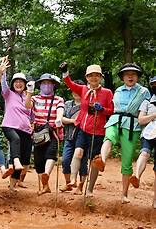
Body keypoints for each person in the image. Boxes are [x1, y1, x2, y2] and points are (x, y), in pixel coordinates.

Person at [91, 63, 150, 203]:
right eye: (127, 74)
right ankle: (102, 160)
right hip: (115, 119)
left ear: (137, 77)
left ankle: (124, 195)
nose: (130, 76)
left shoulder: (144, 92)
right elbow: (112, 108)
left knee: (127, 160)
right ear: (122, 77)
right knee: (109, 138)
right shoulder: (117, 90)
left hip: (132, 125)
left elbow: (147, 108)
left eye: (133, 74)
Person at [61, 63, 114, 196]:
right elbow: (70, 84)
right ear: (87, 77)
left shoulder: (107, 93)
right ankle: (72, 180)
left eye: (96, 75)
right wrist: (65, 72)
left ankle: (89, 189)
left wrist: (102, 109)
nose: (94, 77)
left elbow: (112, 111)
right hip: (83, 129)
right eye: (91, 75)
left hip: (98, 132)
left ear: (101, 77)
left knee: (94, 162)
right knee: (78, 152)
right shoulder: (83, 89)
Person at [25, 74, 65, 195]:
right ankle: (45, 186)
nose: (46, 85)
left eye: (49, 83)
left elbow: (60, 110)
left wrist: (59, 118)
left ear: (53, 85)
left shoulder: (58, 99)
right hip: (38, 132)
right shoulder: (35, 99)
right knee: (38, 160)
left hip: (52, 131)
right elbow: (27, 106)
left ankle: (46, 174)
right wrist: (29, 92)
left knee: (51, 154)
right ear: (40, 85)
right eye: (43, 83)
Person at [0, 71, 33, 190]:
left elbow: (31, 114)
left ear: (25, 84)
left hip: (26, 130)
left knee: (24, 158)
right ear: (13, 83)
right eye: (16, 81)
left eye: (21, 82)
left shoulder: (28, 97)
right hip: (9, 126)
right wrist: (2, 72)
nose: (18, 84)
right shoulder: (8, 94)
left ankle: (12, 186)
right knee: (15, 139)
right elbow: (3, 84)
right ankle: (15, 160)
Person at [60, 80, 88, 192]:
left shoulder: (87, 104)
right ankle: (69, 183)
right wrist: (73, 121)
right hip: (69, 136)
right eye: (73, 90)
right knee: (65, 160)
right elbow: (61, 118)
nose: (75, 92)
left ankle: (80, 186)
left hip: (84, 137)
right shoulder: (67, 104)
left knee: (83, 163)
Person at [135, 75, 156, 209]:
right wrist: (154, 115)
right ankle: (136, 176)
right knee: (144, 153)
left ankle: (155, 201)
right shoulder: (147, 101)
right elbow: (141, 120)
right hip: (149, 133)